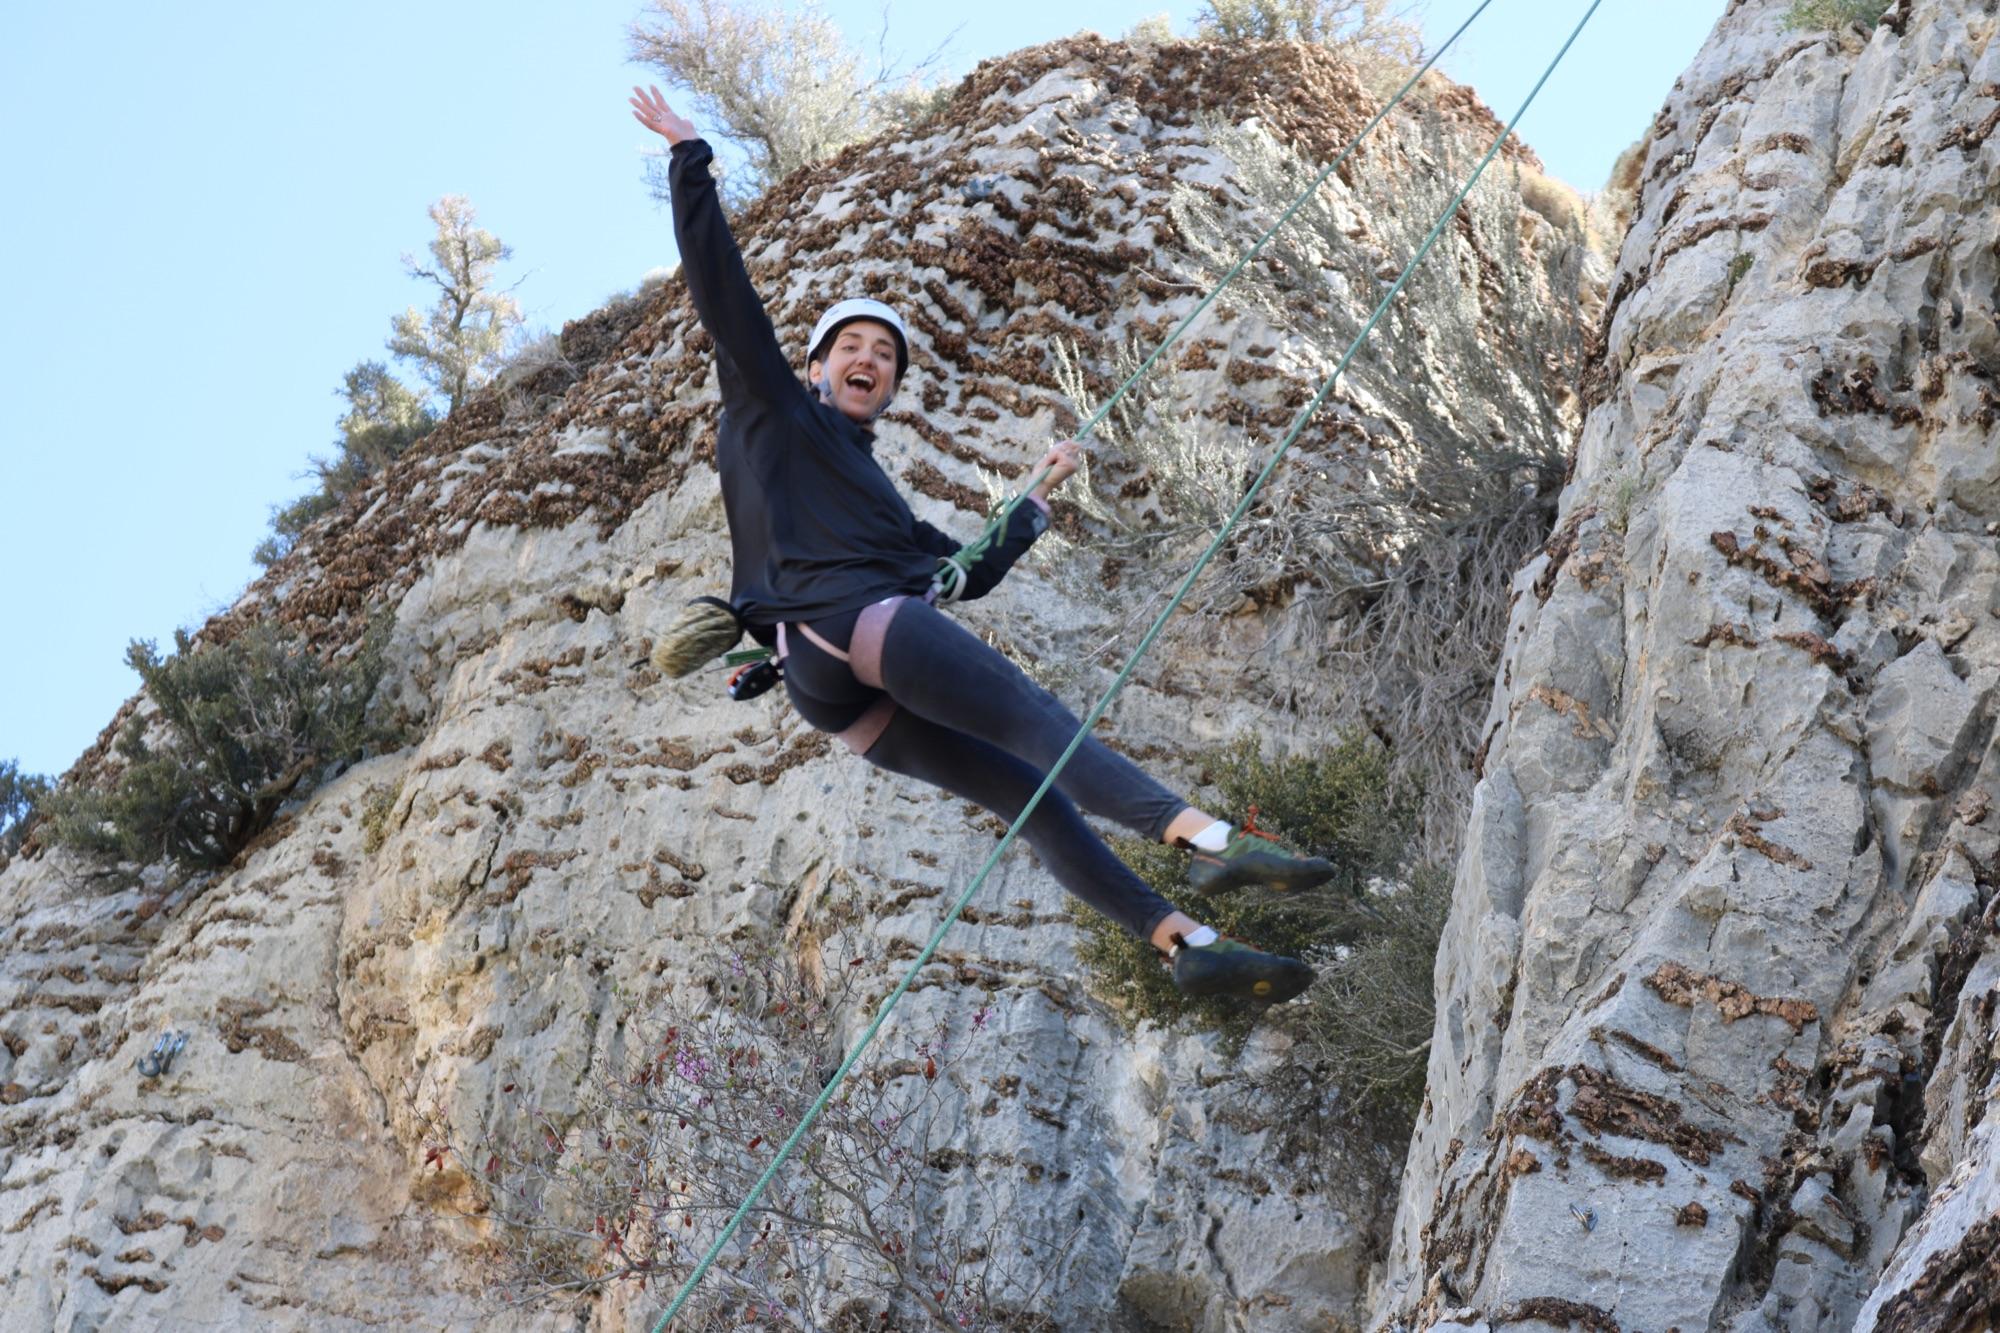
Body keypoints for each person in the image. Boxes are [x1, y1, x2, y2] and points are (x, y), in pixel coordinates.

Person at [631, 86, 1330, 1003]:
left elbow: (960, 572)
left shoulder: (875, 498)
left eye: (884, 355)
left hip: (835, 693)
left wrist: (1034, 500)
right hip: (848, 626)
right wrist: (691, 157)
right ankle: (1206, 839)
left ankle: (1187, 941)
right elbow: (725, 294)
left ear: (886, 391)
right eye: (852, 344)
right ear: (814, 366)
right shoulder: (771, 411)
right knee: (1025, 711)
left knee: (1027, 800)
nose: (870, 359)